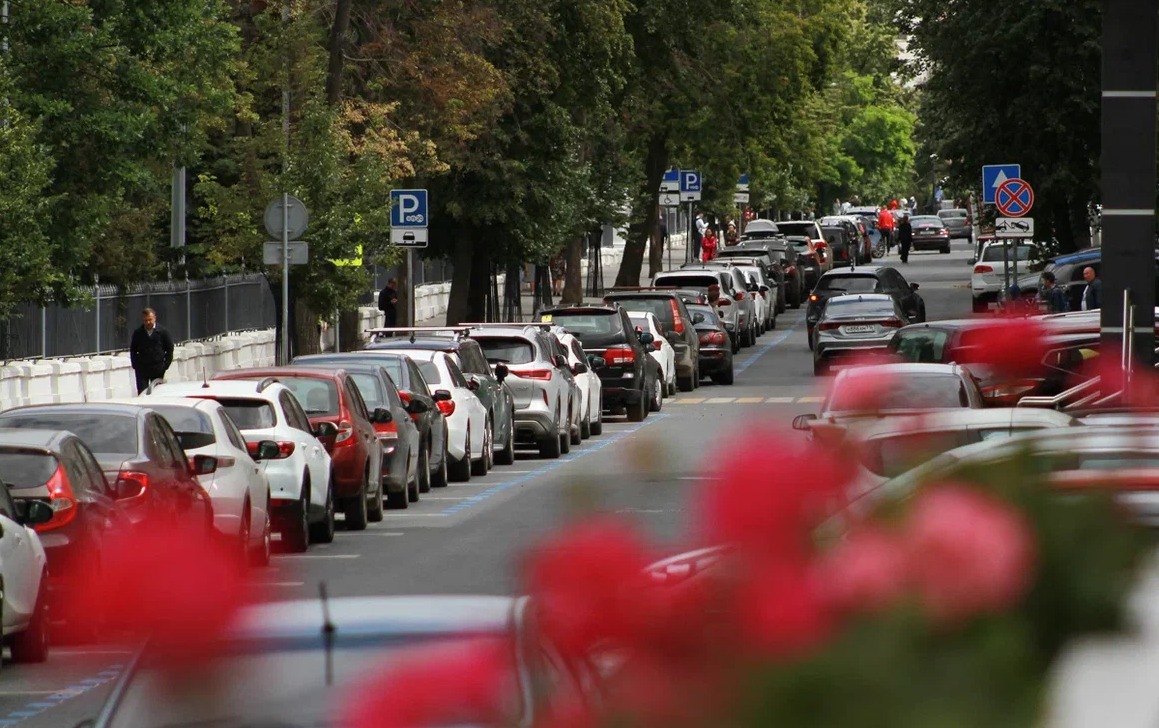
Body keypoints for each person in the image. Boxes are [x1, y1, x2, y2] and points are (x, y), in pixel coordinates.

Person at [130, 308, 174, 395]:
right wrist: (135, 365)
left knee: (157, 392)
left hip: (157, 368)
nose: (148, 322)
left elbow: (170, 348)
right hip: (142, 368)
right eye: (146, 320)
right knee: (142, 393)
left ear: (155, 318)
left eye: (150, 320)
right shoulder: (138, 333)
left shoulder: (163, 332)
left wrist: (165, 365)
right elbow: (133, 350)